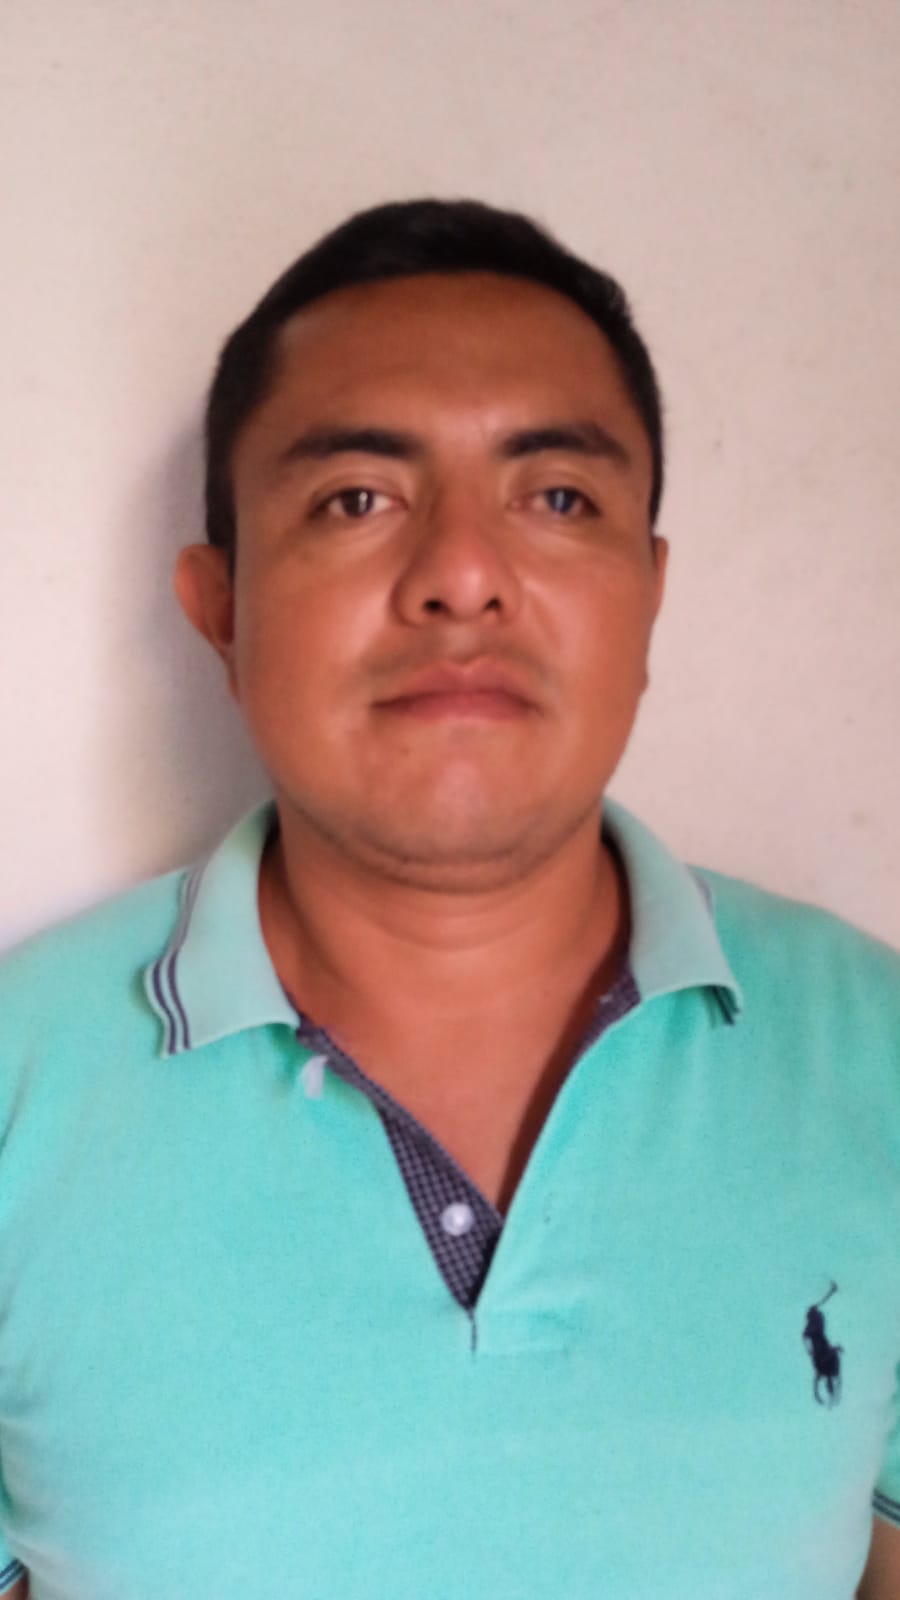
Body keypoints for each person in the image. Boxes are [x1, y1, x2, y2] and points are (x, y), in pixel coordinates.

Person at [0, 198, 897, 1600]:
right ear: (221, 608)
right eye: (357, 499)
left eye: (559, 498)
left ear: (649, 595)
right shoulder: (20, 1081)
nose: (463, 578)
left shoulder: (874, 1055)